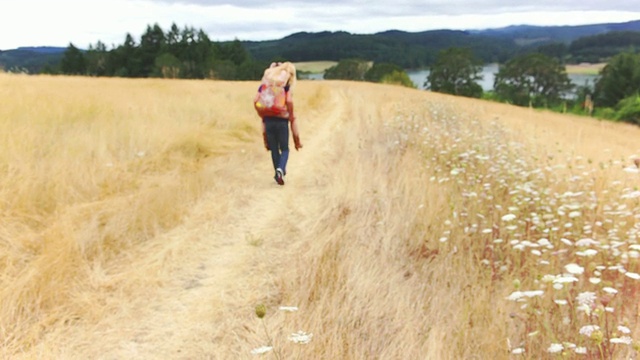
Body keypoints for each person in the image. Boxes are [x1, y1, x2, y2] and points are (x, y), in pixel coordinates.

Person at [254, 62, 302, 185]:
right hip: (282, 121)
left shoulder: (264, 87)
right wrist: (290, 115)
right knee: (285, 149)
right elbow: (290, 102)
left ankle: (277, 172)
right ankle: (281, 169)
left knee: (274, 149)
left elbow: (255, 100)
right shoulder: (285, 88)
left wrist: (262, 114)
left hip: (268, 120)